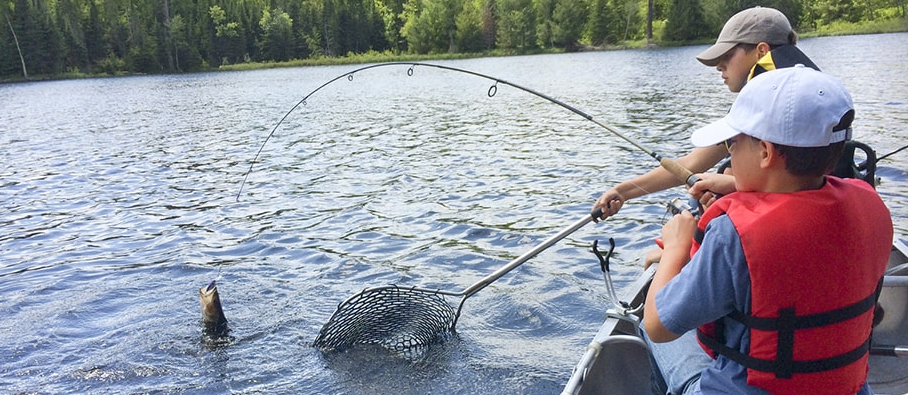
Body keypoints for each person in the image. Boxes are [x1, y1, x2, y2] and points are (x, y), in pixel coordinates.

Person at [642, 66, 893, 395]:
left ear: (765, 152)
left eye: (732, 143)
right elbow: (803, 210)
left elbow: (659, 326)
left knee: (649, 322)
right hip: (847, 388)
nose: (730, 152)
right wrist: (739, 188)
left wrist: (676, 247)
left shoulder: (732, 235)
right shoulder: (871, 206)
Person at [592, 6, 817, 219]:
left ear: (761, 51)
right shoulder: (813, 93)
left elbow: (791, 183)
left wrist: (731, 184)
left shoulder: (777, 106)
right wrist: (623, 191)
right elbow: (693, 162)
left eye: (727, 55)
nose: (719, 65)